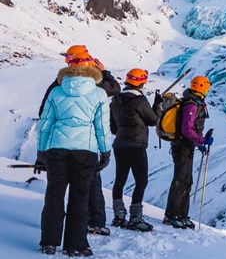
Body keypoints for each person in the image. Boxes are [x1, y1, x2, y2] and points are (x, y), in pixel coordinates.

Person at [38, 45, 121, 236]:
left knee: (55, 195)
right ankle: (90, 227)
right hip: (86, 148)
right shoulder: (97, 87)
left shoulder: (57, 87)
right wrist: (105, 151)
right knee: (83, 194)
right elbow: (113, 92)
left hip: (57, 147)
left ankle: (50, 239)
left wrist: (42, 151)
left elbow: (44, 117)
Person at [109, 68, 161, 232]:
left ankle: (119, 216)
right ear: (141, 82)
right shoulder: (139, 100)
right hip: (136, 145)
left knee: (120, 180)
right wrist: (157, 105)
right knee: (141, 181)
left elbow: (113, 128)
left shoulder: (115, 101)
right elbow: (153, 120)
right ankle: (135, 218)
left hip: (120, 144)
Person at [163, 76, 214, 229]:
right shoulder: (192, 105)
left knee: (185, 180)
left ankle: (180, 214)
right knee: (181, 180)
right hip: (182, 147)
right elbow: (187, 129)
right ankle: (173, 215)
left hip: (185, 146)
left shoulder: (192, 102)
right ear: (202, 88)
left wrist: (198, 143)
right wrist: (202, 140)